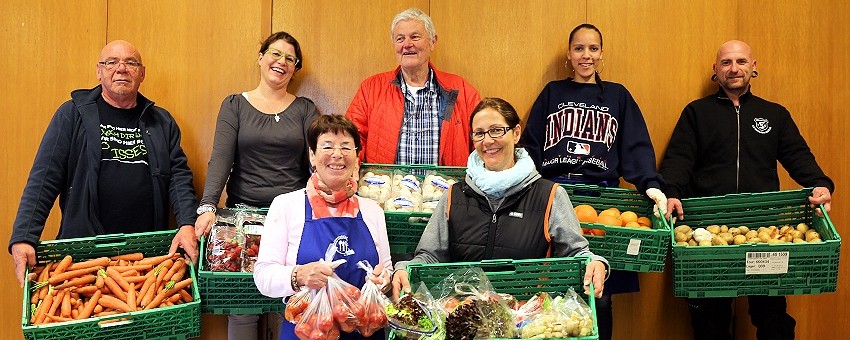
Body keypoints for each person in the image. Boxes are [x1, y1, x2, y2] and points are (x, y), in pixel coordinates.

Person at [660, 40, 834, 340]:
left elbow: (799, 157)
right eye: (726, 63)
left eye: (741, 62)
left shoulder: (775, 114)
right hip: (707, 231)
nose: (734, 68)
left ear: (754, 67)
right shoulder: (696, 113)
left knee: (772, 316)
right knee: (709, 321)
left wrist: (821, 184)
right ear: (716, 70)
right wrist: (671, 192)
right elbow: (678, 160)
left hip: (765, 229)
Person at [8, 40, 199, 288]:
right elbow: (43, 179)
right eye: (111, 62)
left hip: (145, 258)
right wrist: (24, 237)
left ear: (142, 73)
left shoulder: (161, 122)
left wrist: (187, 224)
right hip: (82, 257)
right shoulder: (72, 114)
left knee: (140, 324)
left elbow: (179, 179)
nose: (121, 68)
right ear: (99, 71)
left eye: (131, 63)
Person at [518, 23, 666, 340]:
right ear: (569, 55)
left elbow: (636, 145)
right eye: (579, 49)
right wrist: (517, 180)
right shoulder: (552, 93)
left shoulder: (617, 95)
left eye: (593, 49)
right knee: (554, 288)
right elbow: (530, 145)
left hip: (603, 200)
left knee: (601, 290)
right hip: (555, 192)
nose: (586, 55)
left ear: (602, 54)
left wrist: (650, 183)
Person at [391, 97, 609, 301]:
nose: (487, 141)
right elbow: (429, 256)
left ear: (516, 133)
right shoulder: (453, 195)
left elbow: (578, 254)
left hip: (526, 321)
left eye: (496, 130)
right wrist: (405, 268)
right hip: (466, 316)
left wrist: (596, 263)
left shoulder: (549, 195)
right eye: (479, 133)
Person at [193, 32, 318, 340]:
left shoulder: (305, 109)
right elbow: (220, 159)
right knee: (244, 305)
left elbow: (317, 160)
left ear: (295, 68)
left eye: (290, 59)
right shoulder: (235, 104)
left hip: (292, 221)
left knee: (291, 301)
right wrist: (208, 206)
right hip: (242, 222)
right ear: (261, 57)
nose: (282, 62)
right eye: (275, 54)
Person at [254, 114, 392, 340]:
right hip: (306, 331)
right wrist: (299, 275)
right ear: (312, 155)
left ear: (357, 157)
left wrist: (384, 279)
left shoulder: (372, 210)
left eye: (346, 147)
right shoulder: (286, 205)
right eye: (327, 146)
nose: (337, 154)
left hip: (364, 332)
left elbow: (386, 268)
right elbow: (263, 277)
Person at [345, 8, 481, 166]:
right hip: (385, 189)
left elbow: (480, 142)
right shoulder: (370, 89)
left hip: (446, 189)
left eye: (415, 37)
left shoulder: (462, 90)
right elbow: (350, 140)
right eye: (400, 39)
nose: (407, 44)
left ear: (432, 42)